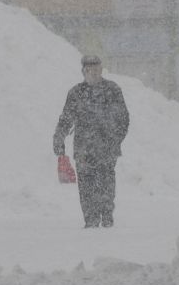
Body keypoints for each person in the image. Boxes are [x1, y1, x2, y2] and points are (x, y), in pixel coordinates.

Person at [53, 55, 130, 228]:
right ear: (83, 72)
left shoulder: (112, 90)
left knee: (106, 183)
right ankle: (90, 220)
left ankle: (107, 217)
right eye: (90, 70)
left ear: (101, 70)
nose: (94, 74)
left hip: (107, 148)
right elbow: (66, 118)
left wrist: (115, 139)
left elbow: (124, 118)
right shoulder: (76, 93)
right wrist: (59, 136)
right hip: (83, 148)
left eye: (97, 70)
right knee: (86, 184)